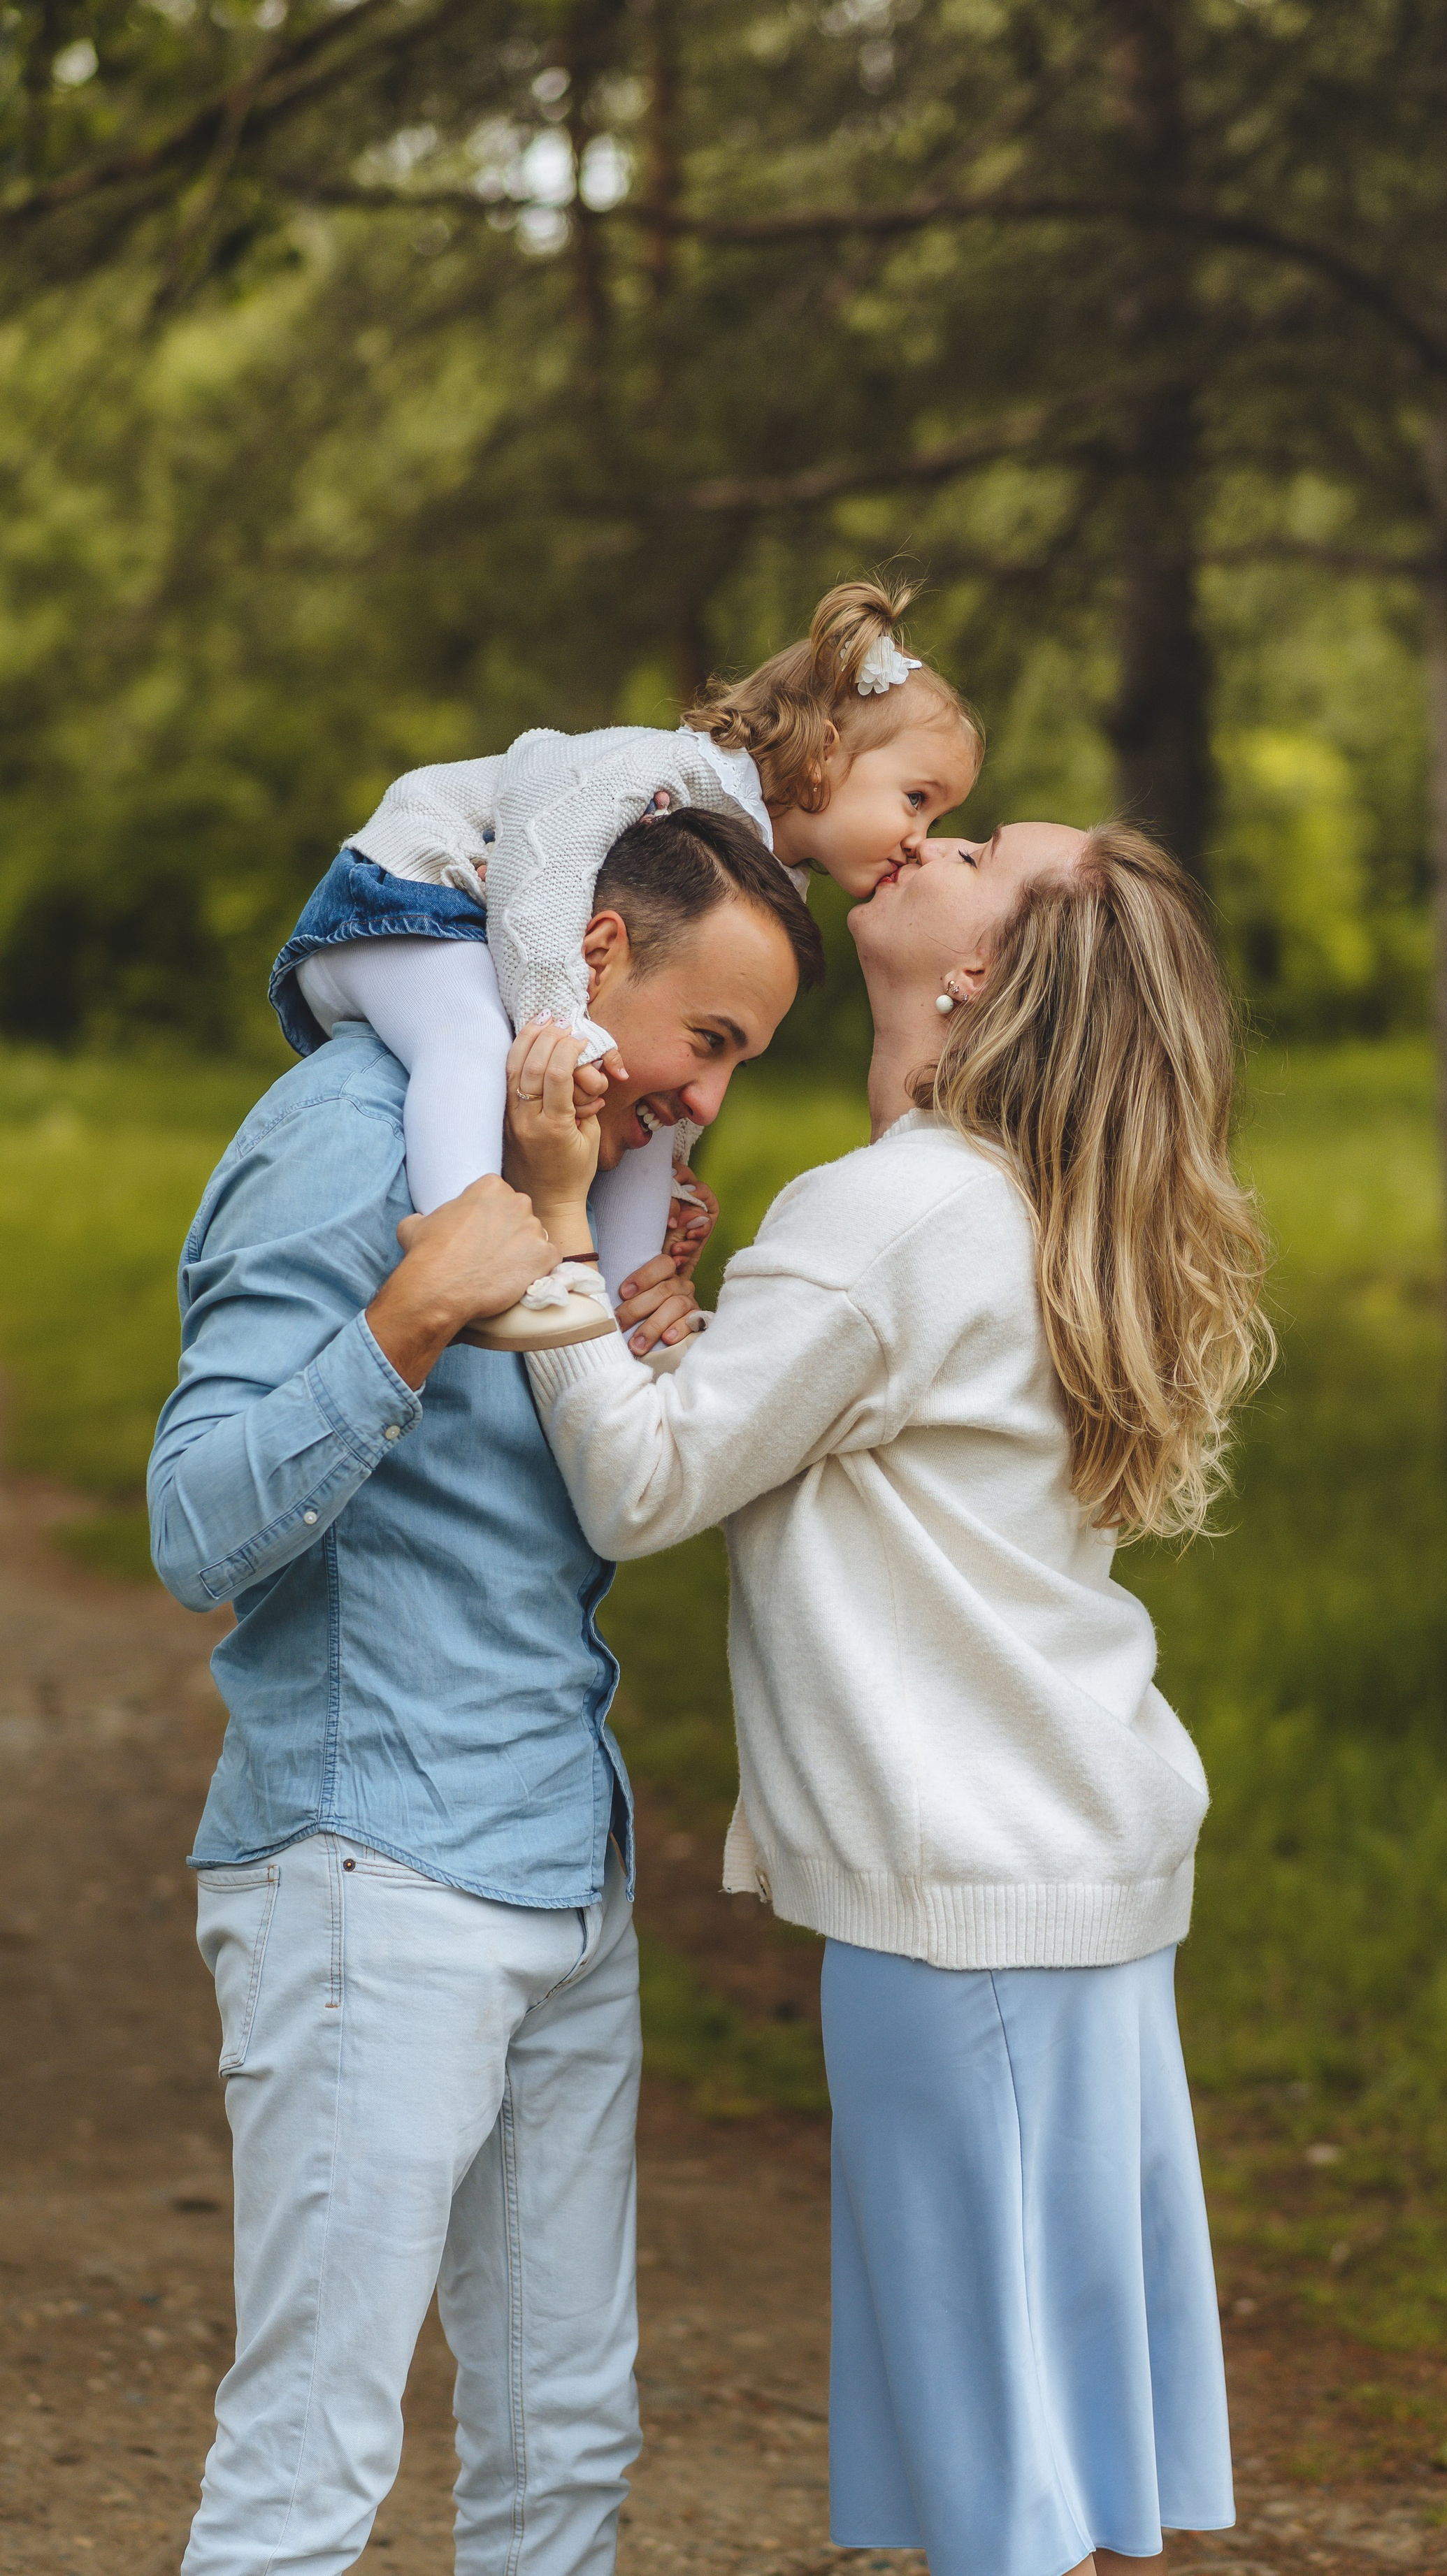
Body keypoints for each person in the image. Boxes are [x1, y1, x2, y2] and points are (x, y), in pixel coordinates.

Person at [503, 818, 1274, 2576]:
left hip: (969, 1910)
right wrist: (685, 1348)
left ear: (978, 969)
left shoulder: (891, 1207)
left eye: (983, 849)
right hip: (1072, 1874)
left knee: (991, 2466)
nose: (929, 834)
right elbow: (827, 1454)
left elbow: (639, 1492)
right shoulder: (995, 1193)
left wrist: (555, 1225)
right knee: (1037, 2436)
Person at [147, 809, 822, 2576]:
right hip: (373, 1872)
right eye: (712, 1041)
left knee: (564, 2436)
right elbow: (193, 1522)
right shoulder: (344, 1138)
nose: (706, 1098)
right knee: (311, 2458)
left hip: (560, 1865)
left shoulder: (583, 1179)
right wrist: (405, 1323)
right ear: (597, 958)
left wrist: (634, 1328)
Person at [265, 578, 982, 1338]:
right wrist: (561, 1028)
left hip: (482, 938)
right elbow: (540, 860)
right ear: (827, 755)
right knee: (470, 1037)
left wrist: (674, 1165)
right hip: (405, 893)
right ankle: (463, 1248)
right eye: (916, 799)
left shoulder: (774, 886)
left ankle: (628, 1322)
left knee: (649, 1125)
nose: (921, 836)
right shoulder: (670, 770)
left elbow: (686, 1058)